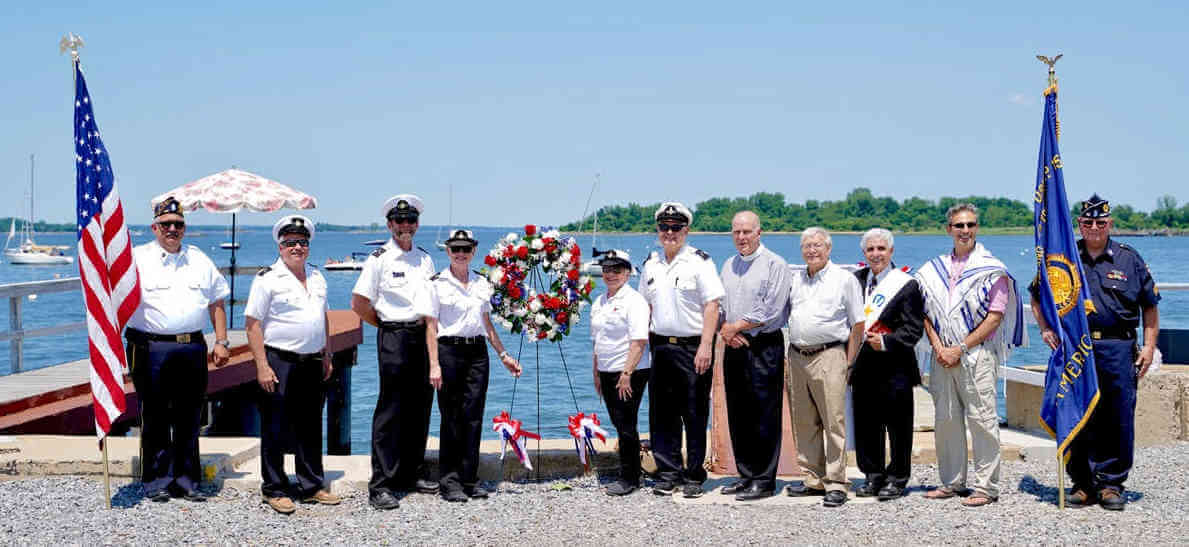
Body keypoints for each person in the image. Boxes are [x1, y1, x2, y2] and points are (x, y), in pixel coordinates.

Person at [1030, 194, 1160, 511]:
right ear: (1079, 224)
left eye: (1100, 222)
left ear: (1110, 224)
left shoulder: (1129, 259)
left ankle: (1112, 484)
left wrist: (1148, 346)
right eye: (1087, 222)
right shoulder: (1065, 259)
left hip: (1118, 348)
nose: (1094, 228)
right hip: (1078, 348)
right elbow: (1036, 295)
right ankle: (1083, 484)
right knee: (1078, 413)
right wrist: (1046, 329)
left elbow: (1150, 307)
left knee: (1117, 417)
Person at [916, 203, 1025, 508]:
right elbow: (923, 312)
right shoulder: (931, 269)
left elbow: (995, 317)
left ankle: (986, 487)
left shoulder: (992, 269)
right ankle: (951, 482)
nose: (965, 230)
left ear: (977, 228)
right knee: (946, 419)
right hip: (942, 356)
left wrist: (959, 348)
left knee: (982, 420)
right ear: (948, 229)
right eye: (959, 225)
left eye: (971, 225)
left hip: (976, 354)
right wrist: (938, 347)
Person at [125, 196, 230, 503]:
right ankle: (156, 481)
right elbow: (111, 296)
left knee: (189, 415)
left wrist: (221, 341)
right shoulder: (135, 259)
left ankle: (186, 481)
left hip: (191, 347)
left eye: (179, 224)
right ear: (154, 227)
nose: (173, 229)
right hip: (150, 346)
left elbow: (217, 302)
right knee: (155, 414)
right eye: (166, 224)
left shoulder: (198, 259)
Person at [244, 215, 341, 514]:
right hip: (279, 360)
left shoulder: (317, 275)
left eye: (302, 242)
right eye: (290, 243)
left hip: (312, 361)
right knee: (275, 426)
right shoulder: (267, 278)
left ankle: (311, 484)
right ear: (280, 245)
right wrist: (262, 365)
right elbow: (252, 325)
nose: (297, 247)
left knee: (310, 425)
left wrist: (327, 354)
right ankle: (274, 488)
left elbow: (322, 318)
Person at [350, 194, 438, 511]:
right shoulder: (379, 259)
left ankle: (410, 473)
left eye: (411, 220)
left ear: (417, 224)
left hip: (422, 334)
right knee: (391, 410)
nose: (405, 226)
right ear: (389, 224)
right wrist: (386, 326)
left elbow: (431, 304)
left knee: (420, 406)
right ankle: (381, 485)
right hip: (394, 336)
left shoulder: (425, 259)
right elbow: (359, 304)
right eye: (399, 221)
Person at [426, 229, 523, 502]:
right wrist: (434, 364)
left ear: (473, 252)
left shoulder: (482, 282)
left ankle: (470, 479)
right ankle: (450, 482)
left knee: (473, 416)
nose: (460, 254)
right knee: (451, 417)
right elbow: (431, 327)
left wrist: (504, 355)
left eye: (465, 249)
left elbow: (487, 324)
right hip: (448, 352)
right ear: (447, 252)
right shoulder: (436, 283)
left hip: (477, 353)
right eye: (455, 249)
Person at [638, 202, 724, 498]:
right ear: (658, 230)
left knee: (695, 412)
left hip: (692, 348)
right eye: (664, 227)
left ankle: (694, 475)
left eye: (676, 228)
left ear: (686, 230)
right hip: (660, 346)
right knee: (662, 414)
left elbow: (712, 305)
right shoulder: (651, 263)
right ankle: (668, 472)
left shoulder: (700, 262)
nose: (670, 233)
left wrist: (706, 346)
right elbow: (644, 307)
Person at [784, 227, 864, 507]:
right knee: (804, 421)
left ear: (829, 249)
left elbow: (858, 324)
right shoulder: (796, 280)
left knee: (833, 421)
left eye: (818, 245)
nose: (812, 250)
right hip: (796, 355)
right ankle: (813, 479)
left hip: (830, 355)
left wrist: (849, 361)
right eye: (807, 246)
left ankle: (836, 482)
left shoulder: (844, 280)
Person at [717, 211, 792, 501]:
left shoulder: (776, 264)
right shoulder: (728, 264)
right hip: (733, 345)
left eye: (747, 232)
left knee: (764, 413)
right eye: (736, 232)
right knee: (738, 412)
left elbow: (772, 309)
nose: (742, 237)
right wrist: (727, 330)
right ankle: (745, 474)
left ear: (759, 233)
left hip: (763, 346)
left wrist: (736, 326)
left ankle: (764, 479)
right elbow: (721, 306)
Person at [850, 228, 924, 501]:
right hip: (864, 365)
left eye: (881, 249)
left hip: (896, 366)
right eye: (870, 249)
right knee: (867, 424)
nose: (876, 254)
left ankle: (897, 477)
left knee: (898, 426)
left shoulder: (906, 284)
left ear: (891, 251)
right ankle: (873, 475)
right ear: (864, 253)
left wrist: (885, 341)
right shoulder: (855, 280)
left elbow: (913, 329)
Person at [590, 249, 651, 496]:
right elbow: (597, 341)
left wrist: (626, 373)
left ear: (627, 273)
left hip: (629, 371)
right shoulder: (600, 301)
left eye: (617, 270)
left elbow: (639, 342)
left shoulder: (634, 301)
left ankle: (630, 478)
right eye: (607, 270)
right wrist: (596, 373)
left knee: (626, 423)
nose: (611, 274)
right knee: (618, 422)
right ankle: (628, 471)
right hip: (606, 370)